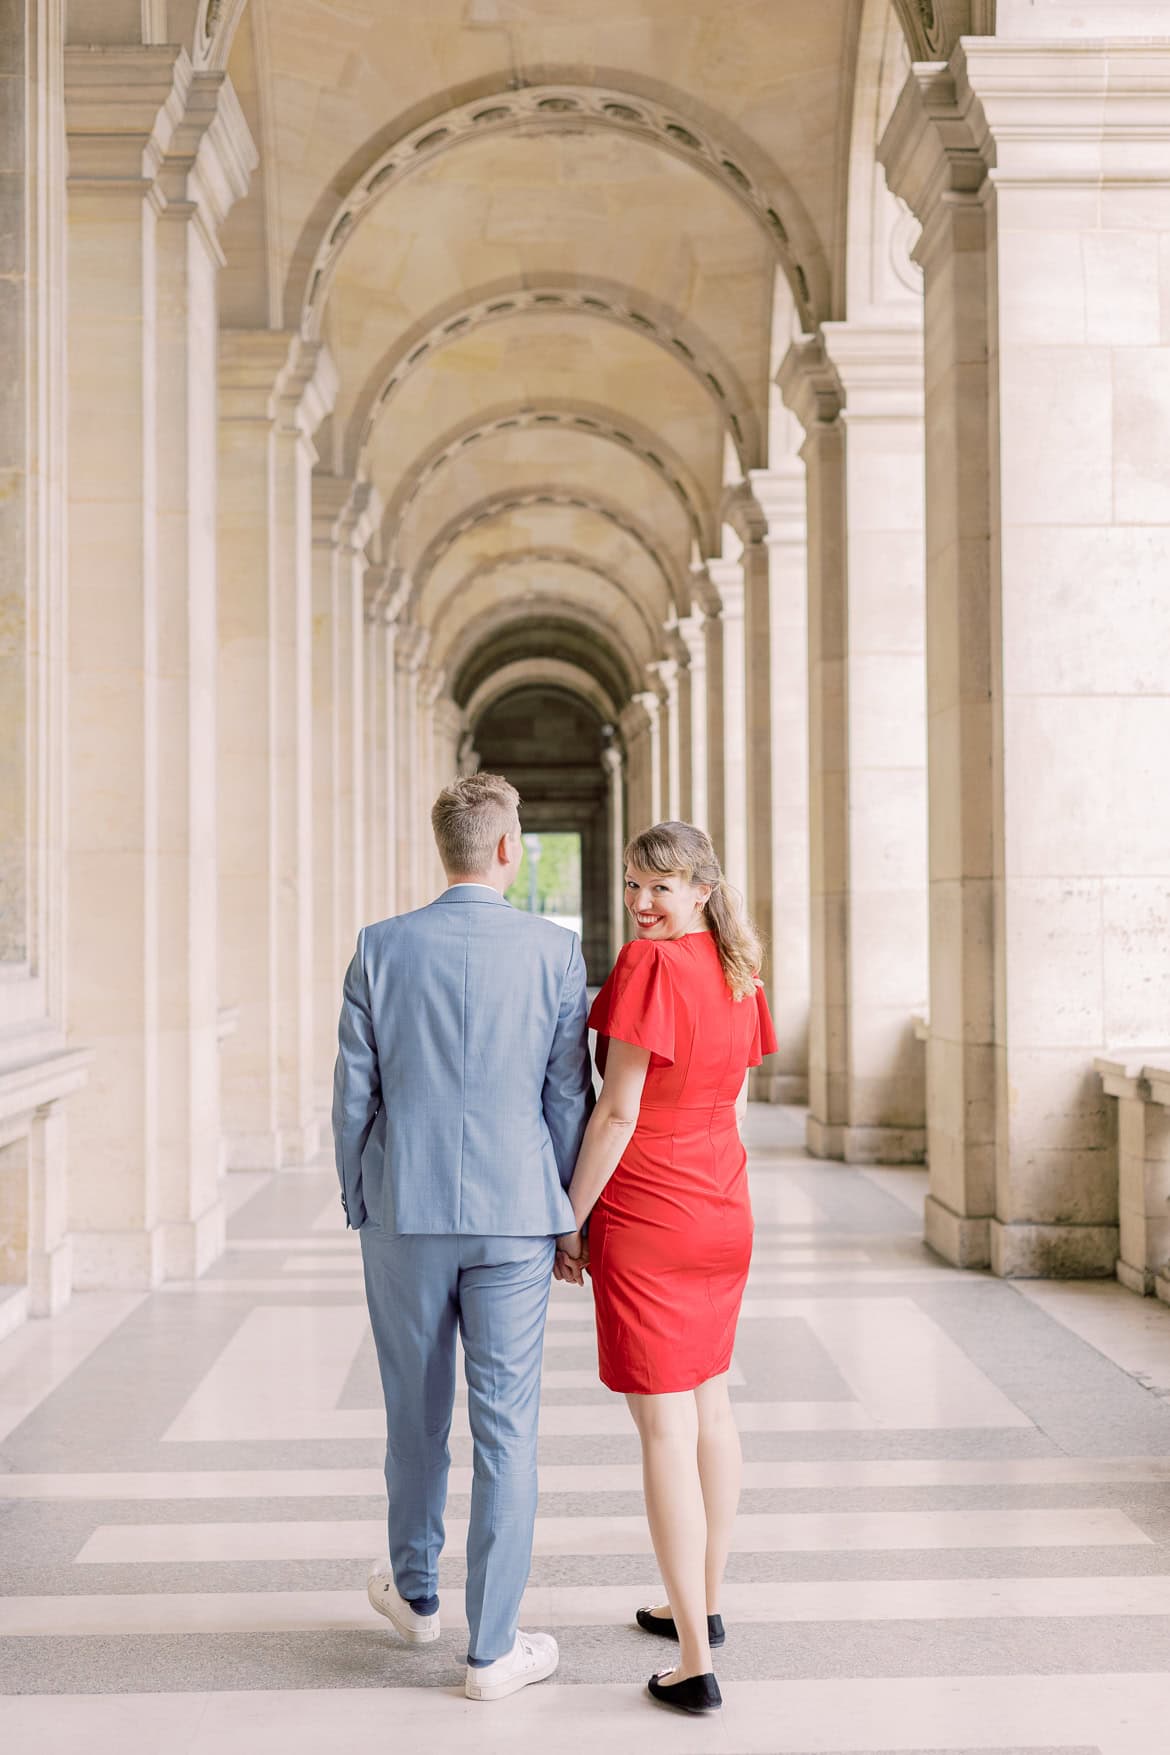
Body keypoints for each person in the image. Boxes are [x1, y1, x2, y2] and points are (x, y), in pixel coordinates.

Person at [332, 772, 594, 1702]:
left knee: (414, 1411)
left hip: (405, 1209)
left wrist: (359, 1197)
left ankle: (415, 1594)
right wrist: (566, 1213)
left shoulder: (380, 946)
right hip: (516, 1213)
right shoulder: (555, 955)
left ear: (443, 848)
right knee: (506, 1424)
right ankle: (491, 1650)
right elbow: (567, 1096)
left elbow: (354, 1095)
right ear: (508, 847)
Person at [555, 820, 777, 1717]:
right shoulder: (737, 970)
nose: (644, 903)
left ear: (702, 888)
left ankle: (692, 1659)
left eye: (663, 886)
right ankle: (704, 1602)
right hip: (723, 1202)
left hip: (650, 1208)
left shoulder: (648, 968)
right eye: (635, 886)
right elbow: (737, 1096)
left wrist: (567, 1222)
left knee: (664, 1432)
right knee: (711, 1408)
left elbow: (616, 1112)